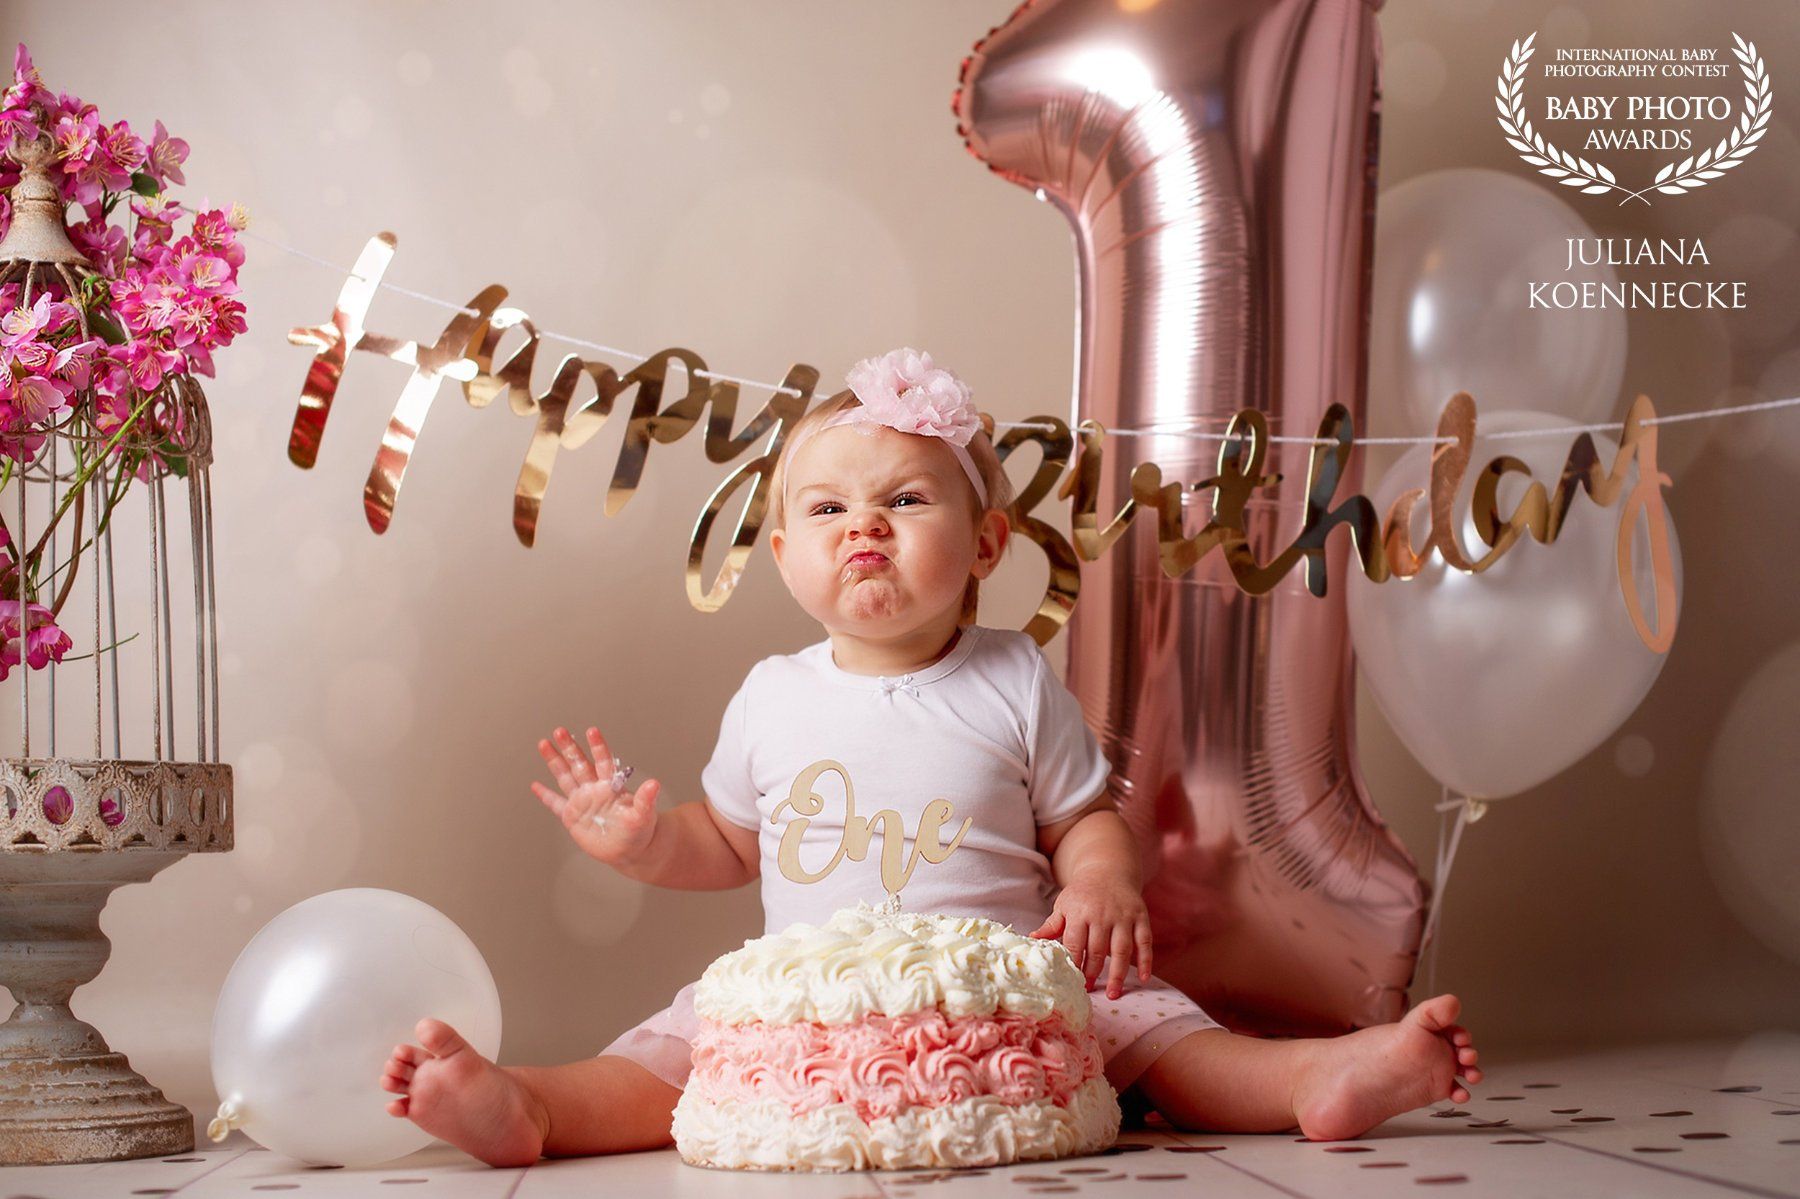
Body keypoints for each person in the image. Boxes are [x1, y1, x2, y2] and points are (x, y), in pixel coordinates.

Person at [376, 348, 1480, 1166]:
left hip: (1007, 985)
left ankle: (1321, 1074)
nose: (866, 525)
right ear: (781, 553)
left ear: (987, 545)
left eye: (906, 500)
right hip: (813, 1001)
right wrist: (643, 839)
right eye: (829, 508)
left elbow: (1081, 816)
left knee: (1163, 1039)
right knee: (663, 1058)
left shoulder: (1010, 677)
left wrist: (1100, 877)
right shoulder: (772, 694)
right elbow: (726, 843)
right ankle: (520, 1104)